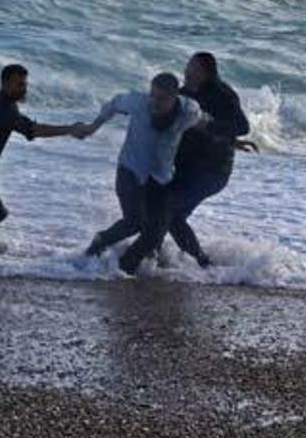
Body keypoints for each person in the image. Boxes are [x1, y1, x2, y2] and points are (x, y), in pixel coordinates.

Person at [0, 64, 91, 245]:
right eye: (19, 84)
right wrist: (69, 129)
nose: (23, 89)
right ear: (5, 83)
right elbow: (34, 130)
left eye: (25, 84)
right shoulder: (6, 109)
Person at [81, 73, 208, 275]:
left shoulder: (188, 110)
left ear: (175, 97)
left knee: (156, 232)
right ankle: (101, 241)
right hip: (130, 170)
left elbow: (203, 122)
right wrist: (92, 127)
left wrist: (231, 141)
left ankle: (125, 269)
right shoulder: (137, 102)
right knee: (134, 222)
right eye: (153, 96)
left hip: (161, 177)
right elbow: (113, 104)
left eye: (162, 99)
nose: (155, 102)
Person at [164, 52, 253, 268]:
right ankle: (196, 262)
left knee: (169, 212)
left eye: (191, 68)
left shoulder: (222, 94)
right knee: (166, 214)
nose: (186, 72)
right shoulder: (185, 93)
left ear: (204, 72)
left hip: (212, 171)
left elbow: (242, 127)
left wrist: (209, 126)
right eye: (187, 67)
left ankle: (201, 263)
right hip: (186, 167)